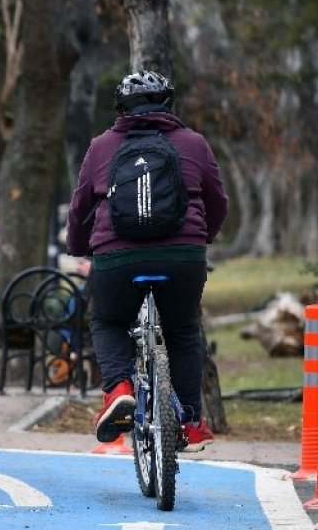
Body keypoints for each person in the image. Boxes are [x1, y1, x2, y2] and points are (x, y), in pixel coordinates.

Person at [66, 70, 228, 452]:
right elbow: (218, 201)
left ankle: (119, 388)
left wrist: (78, 245)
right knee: (184, 329)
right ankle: (189, 419)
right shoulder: (194, 143)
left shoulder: (101, 146)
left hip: (117, 256)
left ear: (121, 109)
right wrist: (204, 237)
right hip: (183, 256)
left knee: (106, 320)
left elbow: (80, 208)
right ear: (167, 104)